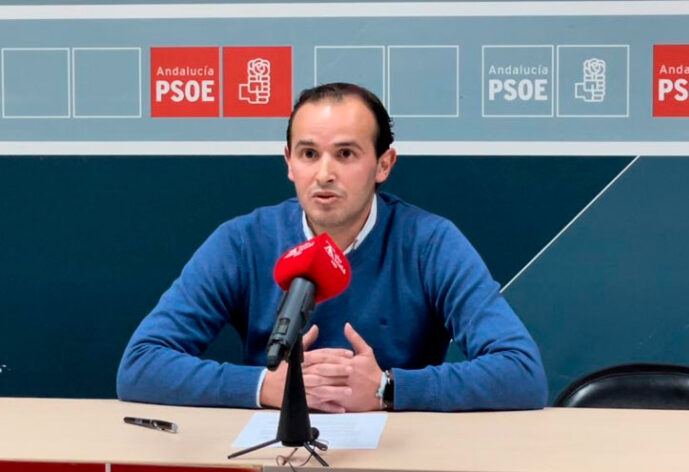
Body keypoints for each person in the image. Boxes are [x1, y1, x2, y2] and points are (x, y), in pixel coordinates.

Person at [117, 83, 548, 412]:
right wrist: (265, 386)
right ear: (288, 162)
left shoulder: (430, 243)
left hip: (398, 456)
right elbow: (141, 364)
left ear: (383, 164)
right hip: (272, 455)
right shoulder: (243, 241)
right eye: (309, 154)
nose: (324, 173)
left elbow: (521, 372)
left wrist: (387, 389)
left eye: (345, 154)